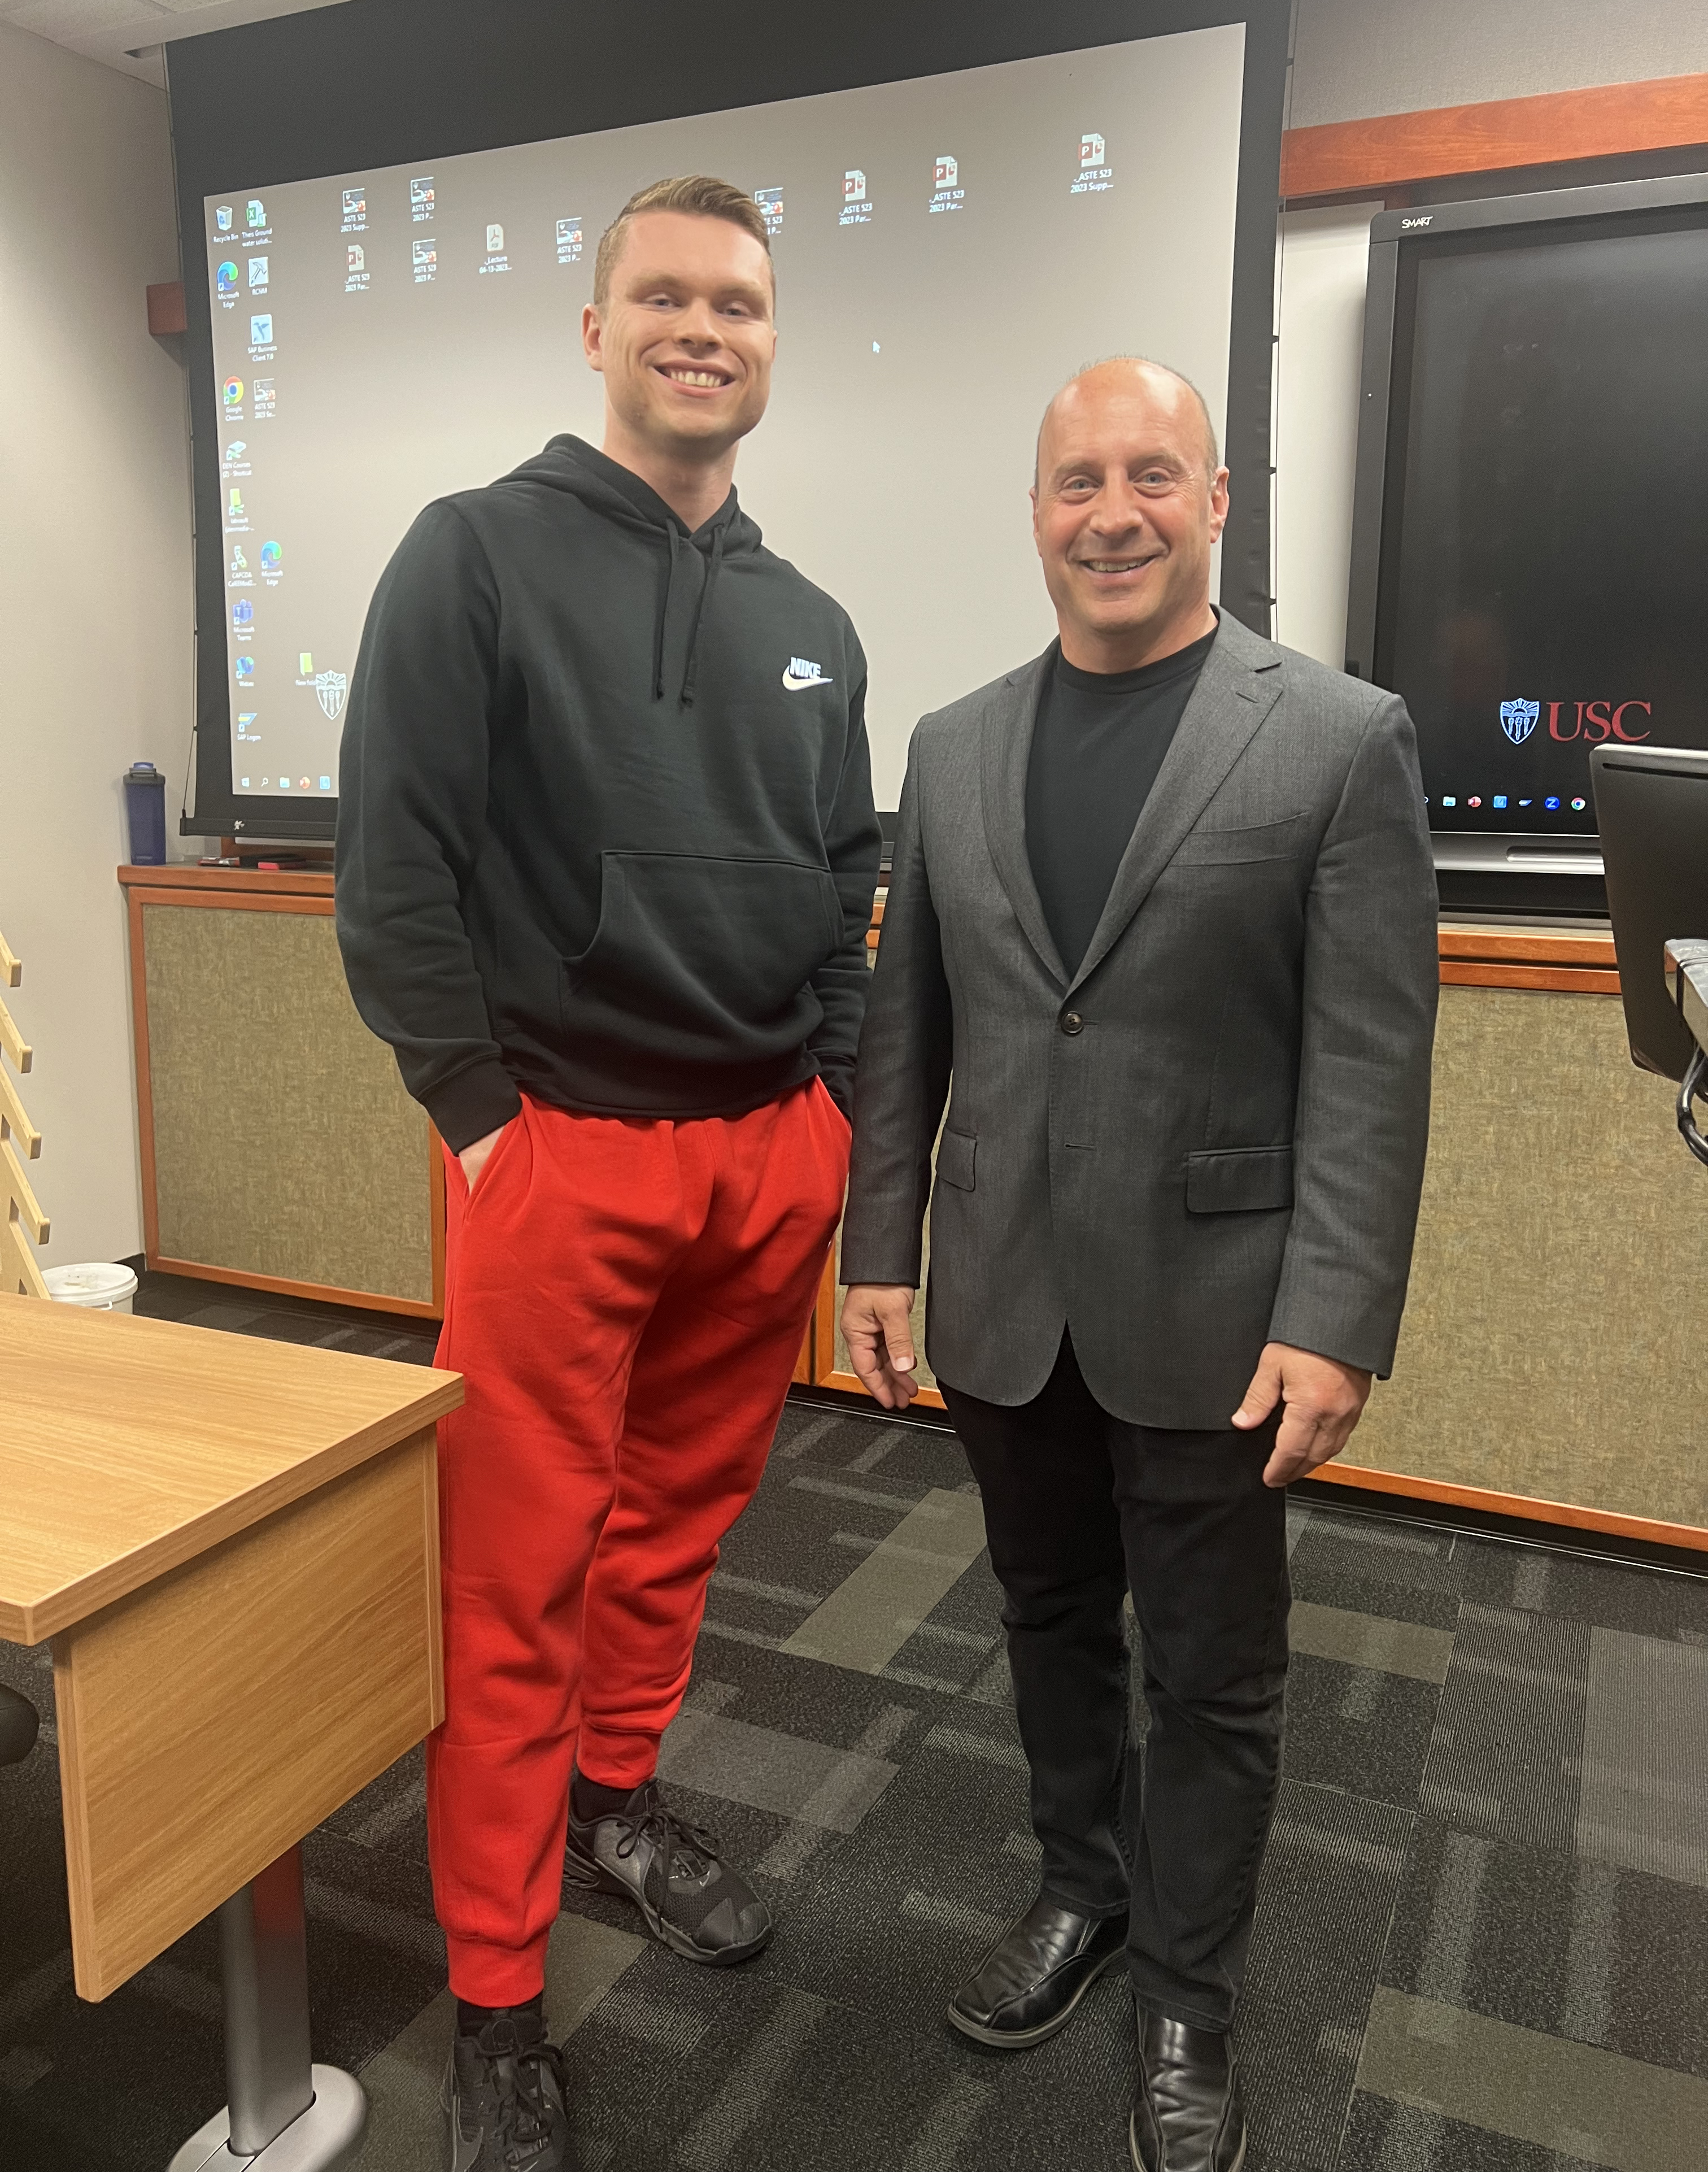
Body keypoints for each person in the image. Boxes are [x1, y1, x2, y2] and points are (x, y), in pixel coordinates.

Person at [337, 175, 880, 2172]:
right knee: (514, 1582)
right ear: (594, 328)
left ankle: (613, 1805)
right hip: (557, 1157)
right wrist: (482, 1122)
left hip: (764, 1168)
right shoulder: (469, 557)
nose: (701, 327)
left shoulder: (812, 621)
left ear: (766, 340)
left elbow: (844, 891)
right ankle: (495, 1995)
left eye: (736, 301)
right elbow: (391, 871)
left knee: (670, 1539)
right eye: (662, 294)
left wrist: (822, 1115)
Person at [839, 358, 1437, 2172]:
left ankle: (1189, 1992)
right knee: (1040, 1622)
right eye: (1078, 480)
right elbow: (906, 1037)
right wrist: (883, 1250)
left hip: (1220, 1311)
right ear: (1036, 512)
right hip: (1005, 1292)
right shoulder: (950, 749)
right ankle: (1081, 1890)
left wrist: (1335, 1319)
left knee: (1218, 1676)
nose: (1113, 511)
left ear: (1215, 503)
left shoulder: (1338, 736)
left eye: (1152, 476)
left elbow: (1370, 1061)